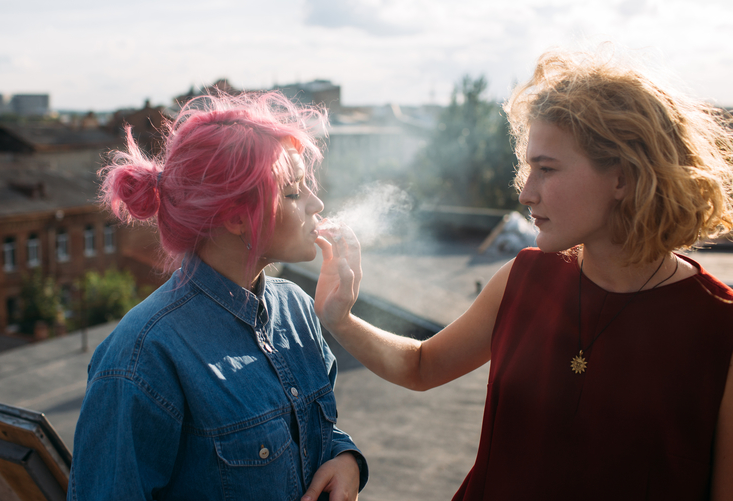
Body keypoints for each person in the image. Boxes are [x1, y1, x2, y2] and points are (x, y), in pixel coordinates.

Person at [314, 47, 733, 501]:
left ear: (623, 178)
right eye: (528, 166)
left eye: (546, 169)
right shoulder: (523, 277)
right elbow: (421, 365)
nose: (526, 192)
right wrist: (341, 318)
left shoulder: (719, 329)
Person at [68, 92, 367, 501]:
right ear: (235, 217)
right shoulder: (142, 357)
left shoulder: (297, 307)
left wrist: (346, 458)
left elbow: (314, 431)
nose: (316, 203)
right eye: (294, 193)